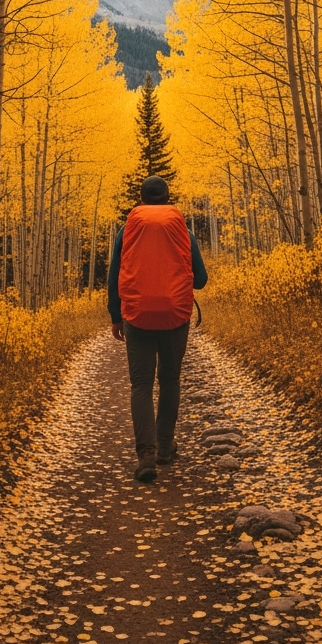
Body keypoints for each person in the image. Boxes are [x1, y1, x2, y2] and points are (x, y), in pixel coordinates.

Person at [108, 175, 209, 482]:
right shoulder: (181, 228)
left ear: (141, 199)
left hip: (137, 316)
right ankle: (165, 447)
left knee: (141, 385)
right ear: (167, 198)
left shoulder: (128, 229)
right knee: (169, 378)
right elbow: (201, 279)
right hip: (175, 315)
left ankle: (146, 456)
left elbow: (114, 275)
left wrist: (116, 316)